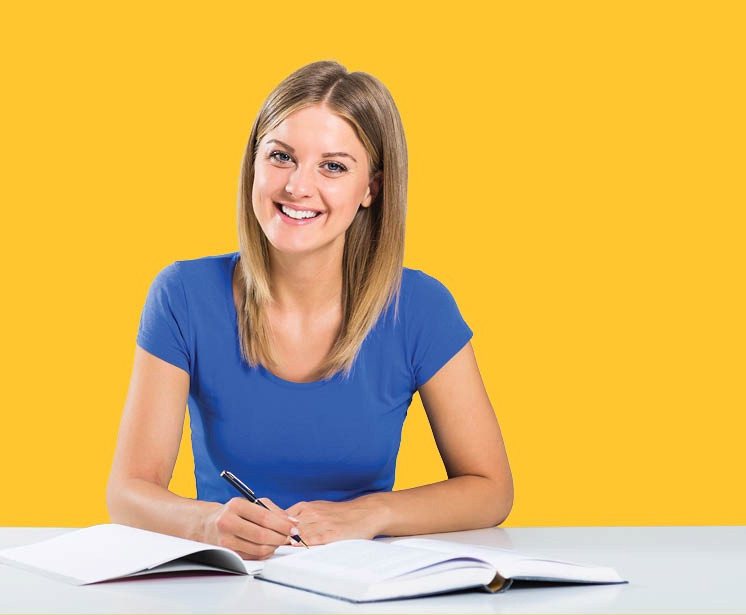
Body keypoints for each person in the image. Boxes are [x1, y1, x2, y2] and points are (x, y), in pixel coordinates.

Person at [106, 60, 513, 560]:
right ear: (253, 163)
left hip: (364, 582)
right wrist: (208, 523)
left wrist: (373, 512)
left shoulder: (421, 308)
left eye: (334, 166)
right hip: (225, 581)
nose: (298, 186)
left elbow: (491, 488)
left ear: (372, 189)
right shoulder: (183, 295)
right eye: (281, 156)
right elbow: (128, 493)